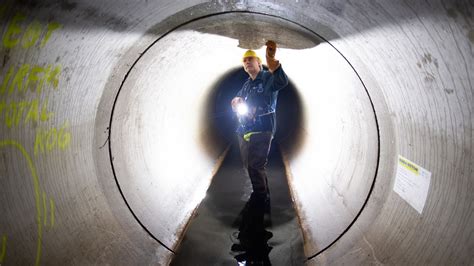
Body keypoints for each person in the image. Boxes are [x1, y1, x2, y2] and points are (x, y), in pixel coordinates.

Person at [230, 41, 289, 250]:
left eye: (250, 59)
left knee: (256, 165)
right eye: (245, 61)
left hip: (263, 129)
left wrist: (272, 61)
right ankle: (261, 193)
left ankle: (260, 199)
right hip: (244, 131)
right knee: (249, 165)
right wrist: (236, 101)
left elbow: (282, 81)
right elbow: (237, 99)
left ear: (258, 62)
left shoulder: (266, 78)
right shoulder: (247, 84)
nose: (247, 63)